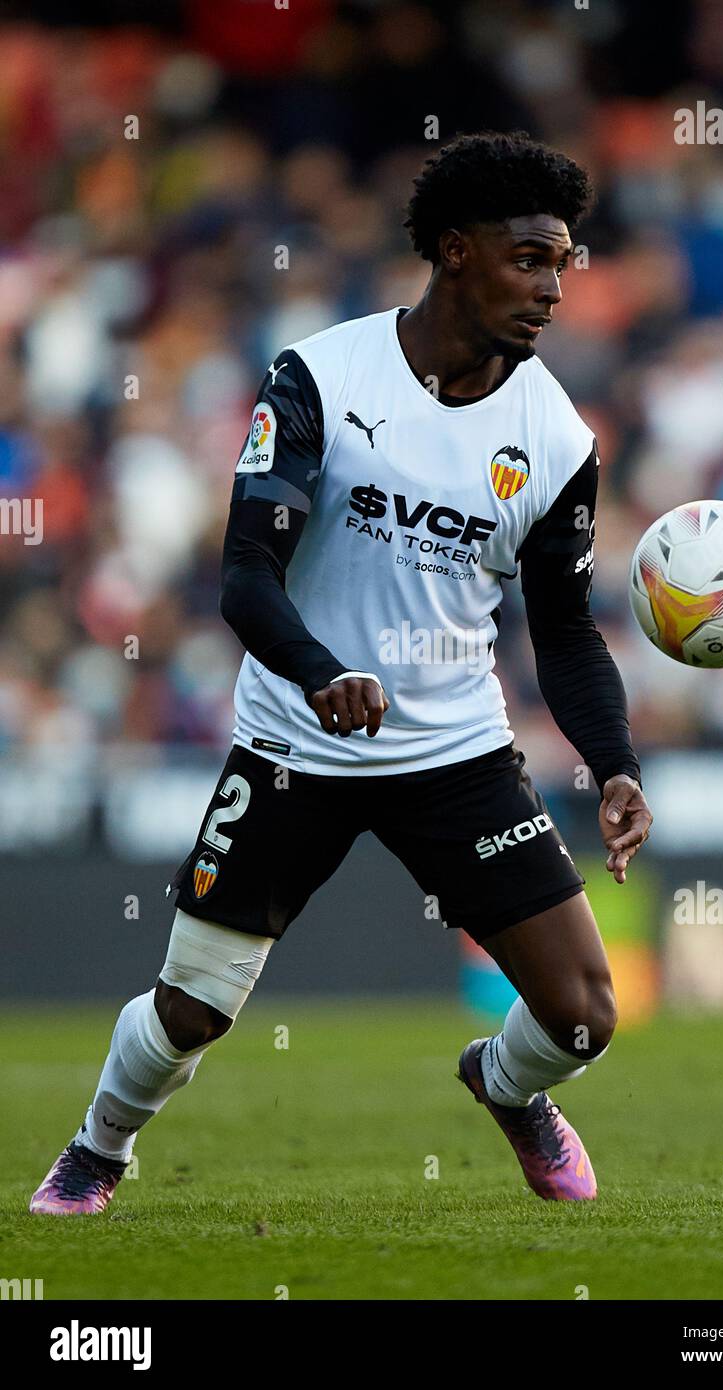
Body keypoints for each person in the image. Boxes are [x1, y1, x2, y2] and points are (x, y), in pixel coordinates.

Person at [31, 130, 652, 1215]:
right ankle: (98, 1147)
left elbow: (560, 628)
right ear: (454, 252)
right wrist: (320, 672)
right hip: (292, 744)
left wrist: (610, 763)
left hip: (455, 749)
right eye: (528, 259)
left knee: (584, 1013)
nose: (553, 288)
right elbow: (243, 577)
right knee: (193, 1009)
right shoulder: (321, 375)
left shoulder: (556, 436)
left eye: (563, 262)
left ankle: (505, 1088)